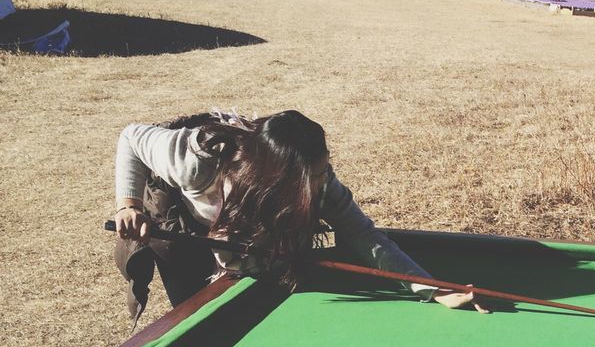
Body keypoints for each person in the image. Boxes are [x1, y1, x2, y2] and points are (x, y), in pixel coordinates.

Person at [113, 109, 484, 322]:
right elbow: (131, 137)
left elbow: (365, 238)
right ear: (277, 180)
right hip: (180, 220)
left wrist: (432, 288)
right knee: (196, 312)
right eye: (315, 176)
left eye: (324, 169)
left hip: (251, 219)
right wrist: (128, 205)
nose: (323, 181)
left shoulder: (317, 181)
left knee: (265, 278)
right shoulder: (196, 159)